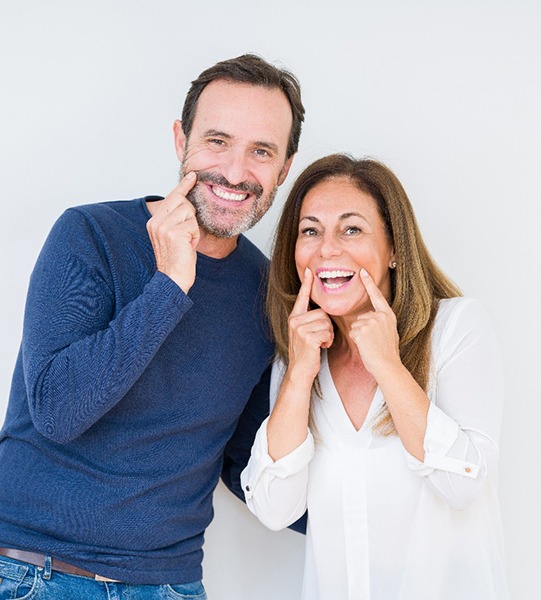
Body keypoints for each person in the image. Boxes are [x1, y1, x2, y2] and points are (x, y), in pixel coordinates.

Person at [0, 54, 304, 599]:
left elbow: (244, 460)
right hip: (33, 573)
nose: (235, 173)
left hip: (167, 585)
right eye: (217, 141)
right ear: (180, 138)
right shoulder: (89, 234)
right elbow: (56, 411)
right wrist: (168, 287)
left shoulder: (266, 295)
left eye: (261, 151)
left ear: (284, 168)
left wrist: (372, 504)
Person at [241, 154, 509, 600]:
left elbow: (463, 483)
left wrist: (387, 365)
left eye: (352, 229)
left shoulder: (456, 327)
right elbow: (275, 508)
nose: (327, 249)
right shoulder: (300, 361)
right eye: (310, 230)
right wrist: (299, 375)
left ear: (395, 250)